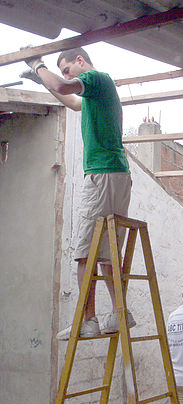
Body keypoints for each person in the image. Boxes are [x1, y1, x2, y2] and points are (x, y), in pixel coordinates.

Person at [22, 47, 134, 339]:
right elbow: (71, 101)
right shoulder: (95, 95)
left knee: (84, 252)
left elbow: (60, 85)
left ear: (80, 61)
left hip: (102, 174)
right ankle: (119, 313)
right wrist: (42, 82)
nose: (66, 76)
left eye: (67, 69)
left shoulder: (97, 78)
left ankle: (88, 320)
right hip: (115, 174)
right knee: (107, 253)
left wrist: (38, 67)